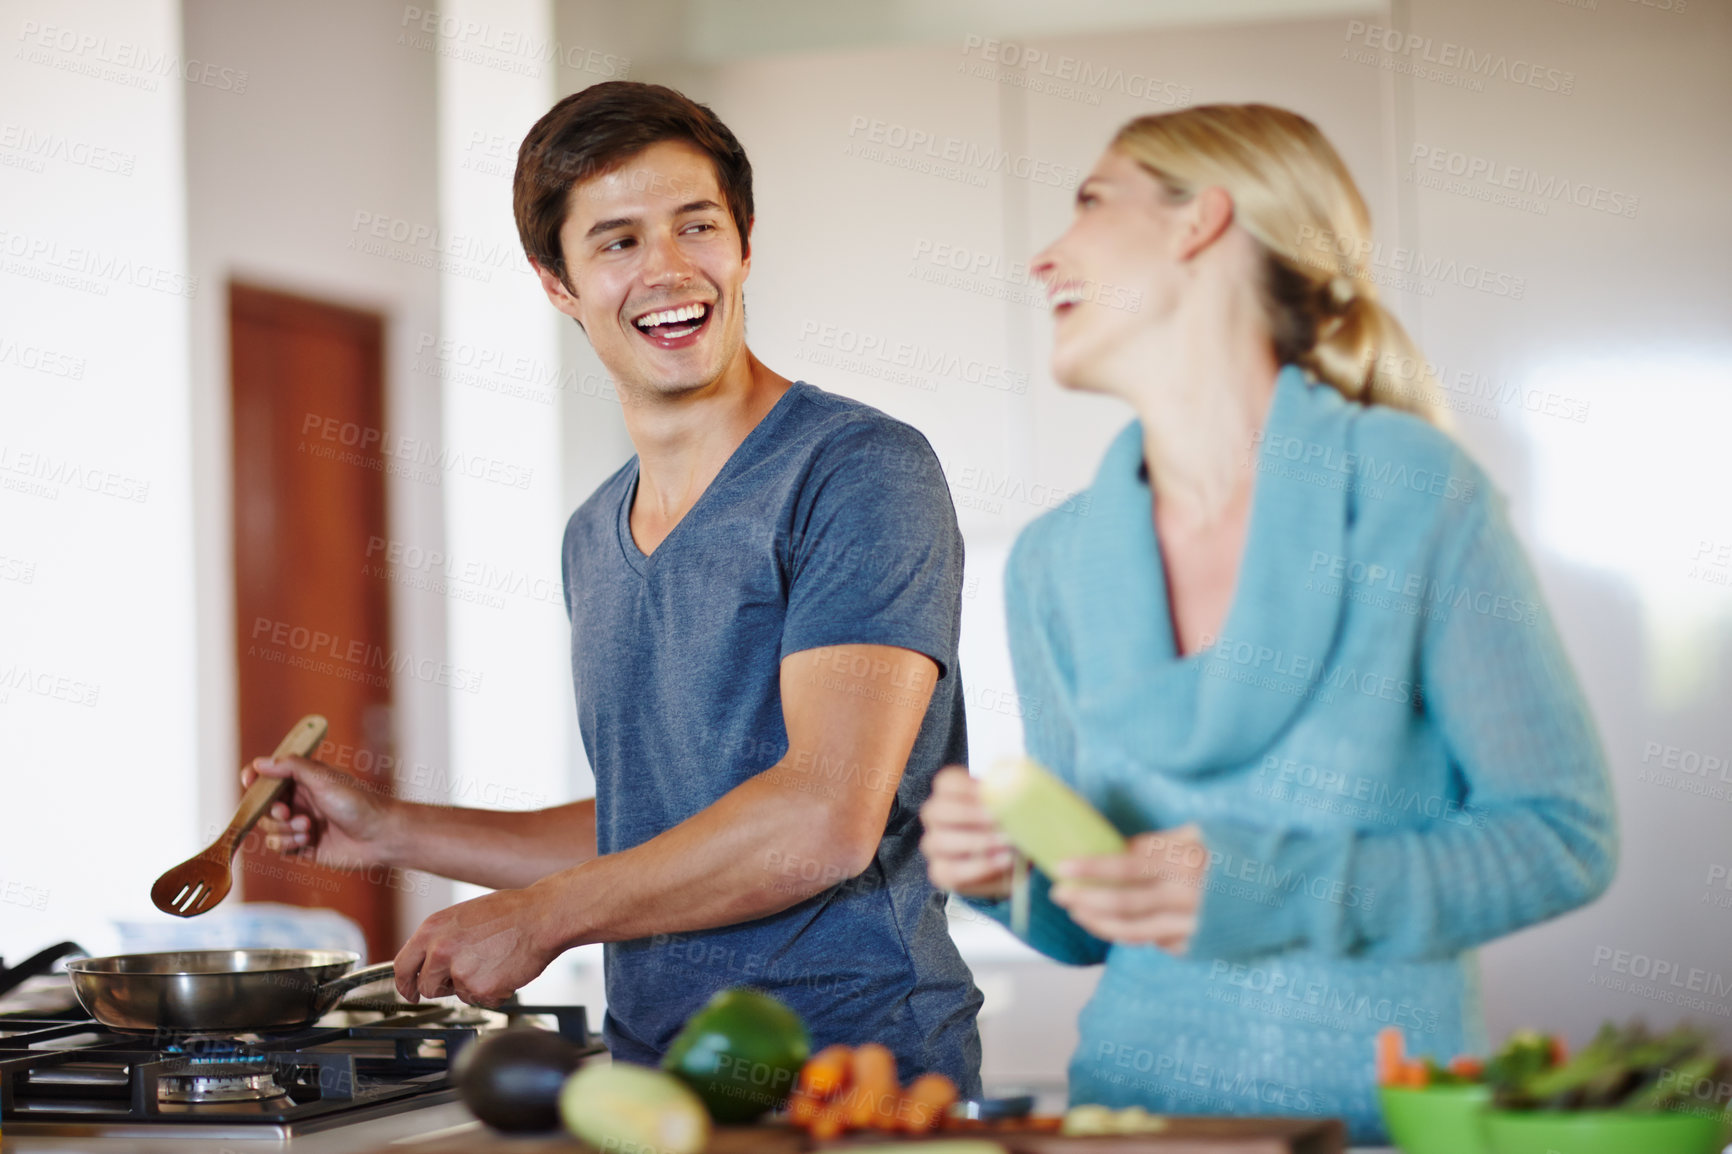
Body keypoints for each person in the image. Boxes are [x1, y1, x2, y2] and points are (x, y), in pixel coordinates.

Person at [244, 81, 983, 1093]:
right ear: (557, 280)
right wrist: (390, 826)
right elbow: (657, 826)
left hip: (853, 1077)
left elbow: (821, 818)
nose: (668, 269)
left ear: (746, 240)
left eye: (697, 225)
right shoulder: (593, 533)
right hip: (653, 1075)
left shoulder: (858, 471)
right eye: (618, 240)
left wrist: (544, 914)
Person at [918, 103, 1615, 1142]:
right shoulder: (1054, 563)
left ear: (1200, 221)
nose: (1042, 257)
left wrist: (1266, 882)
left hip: (1375, 1125)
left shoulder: (1415, 495)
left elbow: (1561, 838)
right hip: (1130, 1121)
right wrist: (1002, 876)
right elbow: (1092, 922)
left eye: (1091, 203)